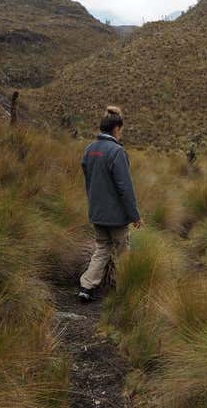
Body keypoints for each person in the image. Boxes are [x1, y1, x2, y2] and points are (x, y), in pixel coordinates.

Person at [78, 106, 142, 302]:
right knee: (123, 253)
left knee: (102, 249)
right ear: (117, 128)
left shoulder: (90, 149)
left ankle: (86, 286)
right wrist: (134, 215)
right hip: (116, 217)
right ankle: (125, 292)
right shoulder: (117, 152)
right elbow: (125, 188)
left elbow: (89, 181)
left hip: (97, 212)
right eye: (121, 129)